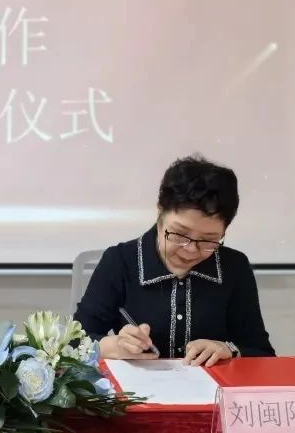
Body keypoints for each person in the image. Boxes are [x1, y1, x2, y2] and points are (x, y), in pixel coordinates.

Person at [75, 155, 274, 366]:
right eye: (179, 234)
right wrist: (112, 346)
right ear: (160, 211)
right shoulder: (120, 261)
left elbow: (261, 352)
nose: (190, 250)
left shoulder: (234, 266)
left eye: (208, 240)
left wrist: (229, 349)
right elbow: (74, 342)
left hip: (211, 386)